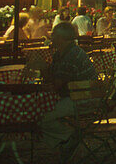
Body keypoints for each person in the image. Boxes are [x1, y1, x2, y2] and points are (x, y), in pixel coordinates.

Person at [39, 22, 98, 152]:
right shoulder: (62, 53)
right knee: (40, 112)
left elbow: (56, 85)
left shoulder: (70, 56)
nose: (50, 37)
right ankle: (66, 142)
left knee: (40, 116)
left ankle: (70, 137)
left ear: (61, 39)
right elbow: (53, 80)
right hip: (76, 97)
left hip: (83, 100)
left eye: (53, 35)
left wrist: (43, 69)